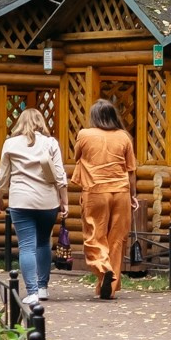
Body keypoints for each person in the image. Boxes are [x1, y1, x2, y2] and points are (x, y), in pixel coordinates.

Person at [0, 107, 68, 311]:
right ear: (40, 122)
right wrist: (64, 201)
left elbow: (3, 175)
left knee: (26, 246)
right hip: (47, 201)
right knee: (43, 242)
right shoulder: (50, 143)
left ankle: (32, 292)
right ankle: (43, 288)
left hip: (21, 201)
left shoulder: (10, 144)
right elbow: (60, 175)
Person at [70, 98, 136, 300]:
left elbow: (77, 156)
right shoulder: (124, 137)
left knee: (94, 236)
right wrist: (133, 195)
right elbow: (131, 170)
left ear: (94, 117)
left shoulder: (85, 134)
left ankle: (103, 268)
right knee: (116, 240)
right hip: (121, 192)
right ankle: (109, 288)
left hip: (96, 191)